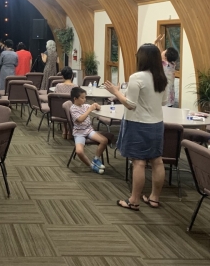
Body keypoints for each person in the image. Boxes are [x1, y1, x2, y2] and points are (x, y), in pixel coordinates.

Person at [105, 43, 168, 211]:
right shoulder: (162, 77)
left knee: (138, 162)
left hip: (138, 123)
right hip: (157, 124)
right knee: (157, 160)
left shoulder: (137, 77)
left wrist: (115, 92)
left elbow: (131, 105)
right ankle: (154, 198)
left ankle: (134, 200)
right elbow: (164, 102)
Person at [69, 87, 108, 174]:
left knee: (104, 140)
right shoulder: (73, 108)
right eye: (82, 98)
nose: (84, 99)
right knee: (79, 151)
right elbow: (80, 119)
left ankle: (96, 159)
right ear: (75, 99)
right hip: (79, 132)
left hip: (88, 130)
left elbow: (98, 107)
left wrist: (96, 106)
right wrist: (89, 110)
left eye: (85, 97)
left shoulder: (85, 106)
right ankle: (91, 166)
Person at [154, 34, 179, 107]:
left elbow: (152, 54)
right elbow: (163, 54)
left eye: (165, 51)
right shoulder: (172, 64)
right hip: (170, 97)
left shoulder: (163, 64)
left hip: (164, 96)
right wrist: (159, 42)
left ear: (165, 56)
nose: (163, 50)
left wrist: (155, 42)